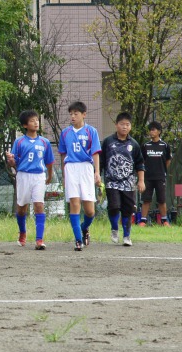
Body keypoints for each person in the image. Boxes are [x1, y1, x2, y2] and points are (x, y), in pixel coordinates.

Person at [7, 111, 55, 251]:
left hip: (39, 176)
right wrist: (11, 161)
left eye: (37, 120)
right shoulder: (19, 141)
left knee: (39, 205)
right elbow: (14, 162)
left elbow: (49, 161)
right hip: (23, 175)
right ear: (25, 125)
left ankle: (39, 240)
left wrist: (49, 175)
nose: (36, 123)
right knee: (22, 208)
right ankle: (22, 232)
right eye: (32, 121)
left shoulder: (44, 142)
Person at [57, 101, 102, 251]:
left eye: (76, 114)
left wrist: (97, 172)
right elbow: (63, 155)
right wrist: (64, 175)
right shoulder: (65, 133)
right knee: (75, 204)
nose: (73, 116)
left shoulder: (91, 131)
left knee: (90, 211)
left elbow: (95, 153)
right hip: (71, 168)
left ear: (84, 115)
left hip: (86, 168)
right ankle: (78, 240)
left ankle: (84, 228)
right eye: (71, 114)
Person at [101, 112, 146, 246]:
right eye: (122, 124)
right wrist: (96, 175)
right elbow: (101, 161)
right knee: (114, 206)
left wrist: (141, 181)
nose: (124, 127)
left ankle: (127, 236)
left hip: (128, 183)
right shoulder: (108, 142)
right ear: (116, 125)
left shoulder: (134, 144)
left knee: (128, 209)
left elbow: (140, 164)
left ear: (130, 126)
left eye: (127, 124)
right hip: (111, 182)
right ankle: (114, 228)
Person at [140, 121, 172, 226]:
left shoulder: (165, 145)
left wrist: (162, 170)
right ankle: (143, 221)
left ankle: (164, 220)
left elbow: (168, 160)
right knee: (146, 199)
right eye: (150, 130)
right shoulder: (145, 145)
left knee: (161, 200)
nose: (151, 132)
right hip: (147, 177)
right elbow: (142, 161)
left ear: (159, 131)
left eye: (153, 130)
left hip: (160, 177)